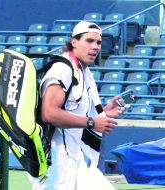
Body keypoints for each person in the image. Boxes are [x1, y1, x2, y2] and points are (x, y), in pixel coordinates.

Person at [29, 21, 128, 190]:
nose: (95, 47)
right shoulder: (62, 69)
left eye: (98, 42)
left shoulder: (83, 71)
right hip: (55, 157)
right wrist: (91, 122)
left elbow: (76, 111)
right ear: (74, 42)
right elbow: (48, 113)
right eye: (89, 41)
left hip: (75, 156)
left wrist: (105, 113)